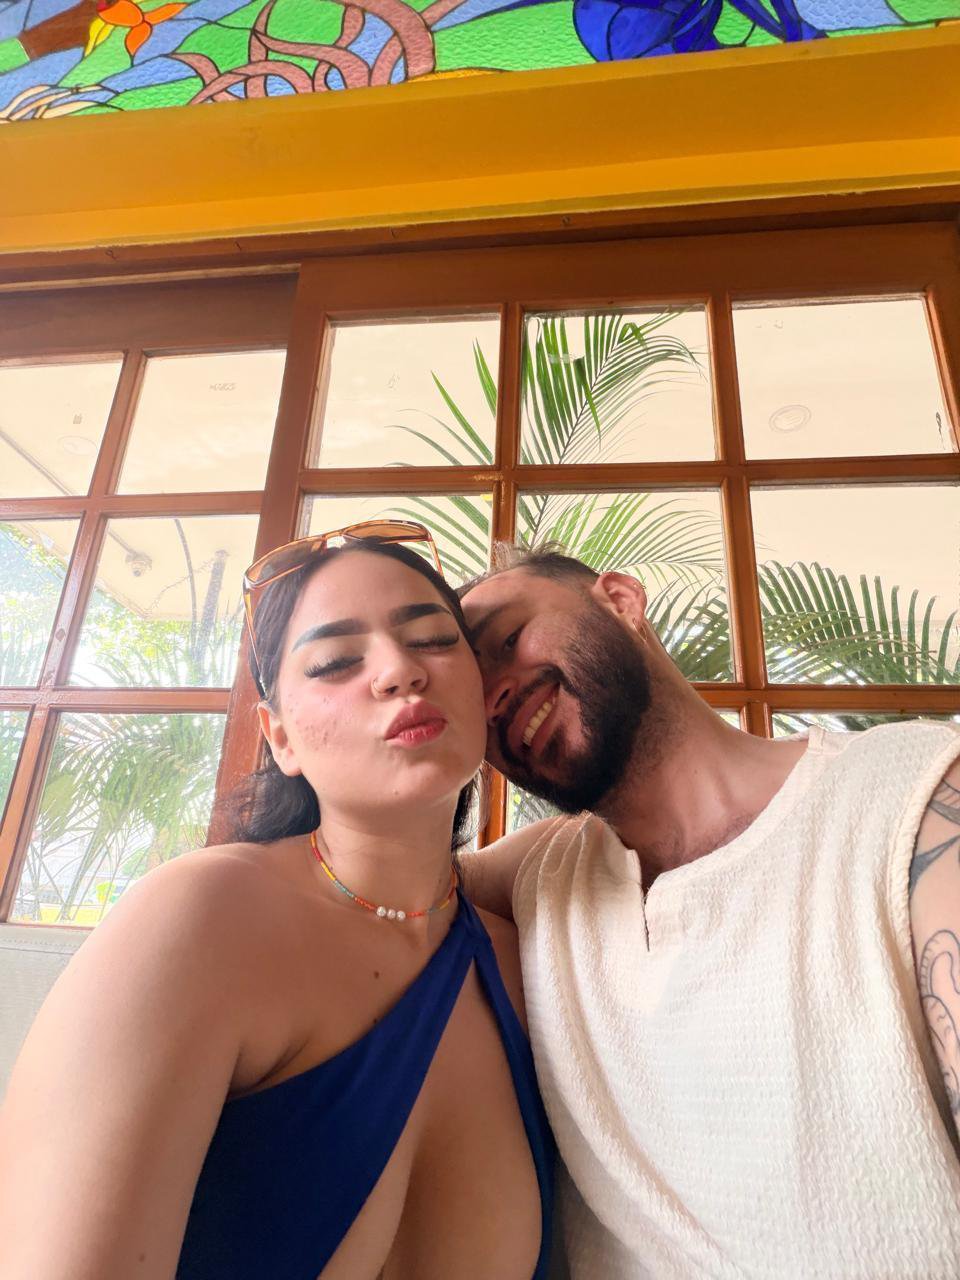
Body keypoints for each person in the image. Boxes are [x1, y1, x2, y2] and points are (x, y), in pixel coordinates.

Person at [0, 525, 554, 1280]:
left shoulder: (526, 963)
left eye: (431, 640)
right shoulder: (201, 920)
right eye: (335, 662)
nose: (400, 671)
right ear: (281, 737)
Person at [459, 543, 960, 1280]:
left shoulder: (910, 796)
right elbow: (347, 878)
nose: (492, 695)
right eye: (467, 697)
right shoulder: (539, 875)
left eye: (507, 639)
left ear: (621, 602)